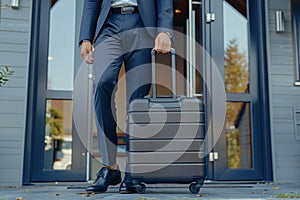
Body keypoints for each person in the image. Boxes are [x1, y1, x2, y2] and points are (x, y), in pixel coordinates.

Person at [79, 0, 173, 194]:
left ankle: (134, 171)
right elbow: (91, 2)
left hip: (142, 24)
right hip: (109, 25)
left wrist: (165, 30)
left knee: (137, 99)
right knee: (102, 82)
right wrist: (85, 37)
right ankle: (110, 167)